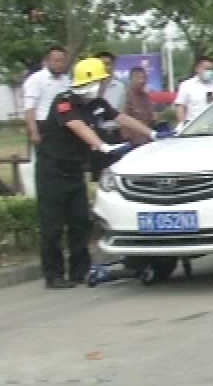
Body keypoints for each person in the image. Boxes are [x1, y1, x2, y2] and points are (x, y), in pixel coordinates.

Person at [36, 57, 154, 289]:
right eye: (99, 81)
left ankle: (79, 271)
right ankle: (54, 275)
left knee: (80, 222)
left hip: (74, 171)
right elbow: (76, 126)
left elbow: (122, 118)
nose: (102, 86)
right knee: (52, 226)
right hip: (52, 171)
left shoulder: (96, 103)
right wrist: (101, 145)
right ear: (87, 82)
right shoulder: (64, 102)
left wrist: (151, 133)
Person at [21, 45, 71, 198]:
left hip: (63, 128)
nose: (59, 64)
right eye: (55, 61)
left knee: (62, 166)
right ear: (47, 61)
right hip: (43, 127)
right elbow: (29, 108)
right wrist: (34, 131)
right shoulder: (36, 80)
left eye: (62, 61)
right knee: (45, 167)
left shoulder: (66, 81)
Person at [175, 56, 213, 126]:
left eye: (212, 69)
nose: (210, 72)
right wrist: (182, 125)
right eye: (207, 69)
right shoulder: (186, 85)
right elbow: (180, 106)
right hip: (193, 126)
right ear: (197, 69)